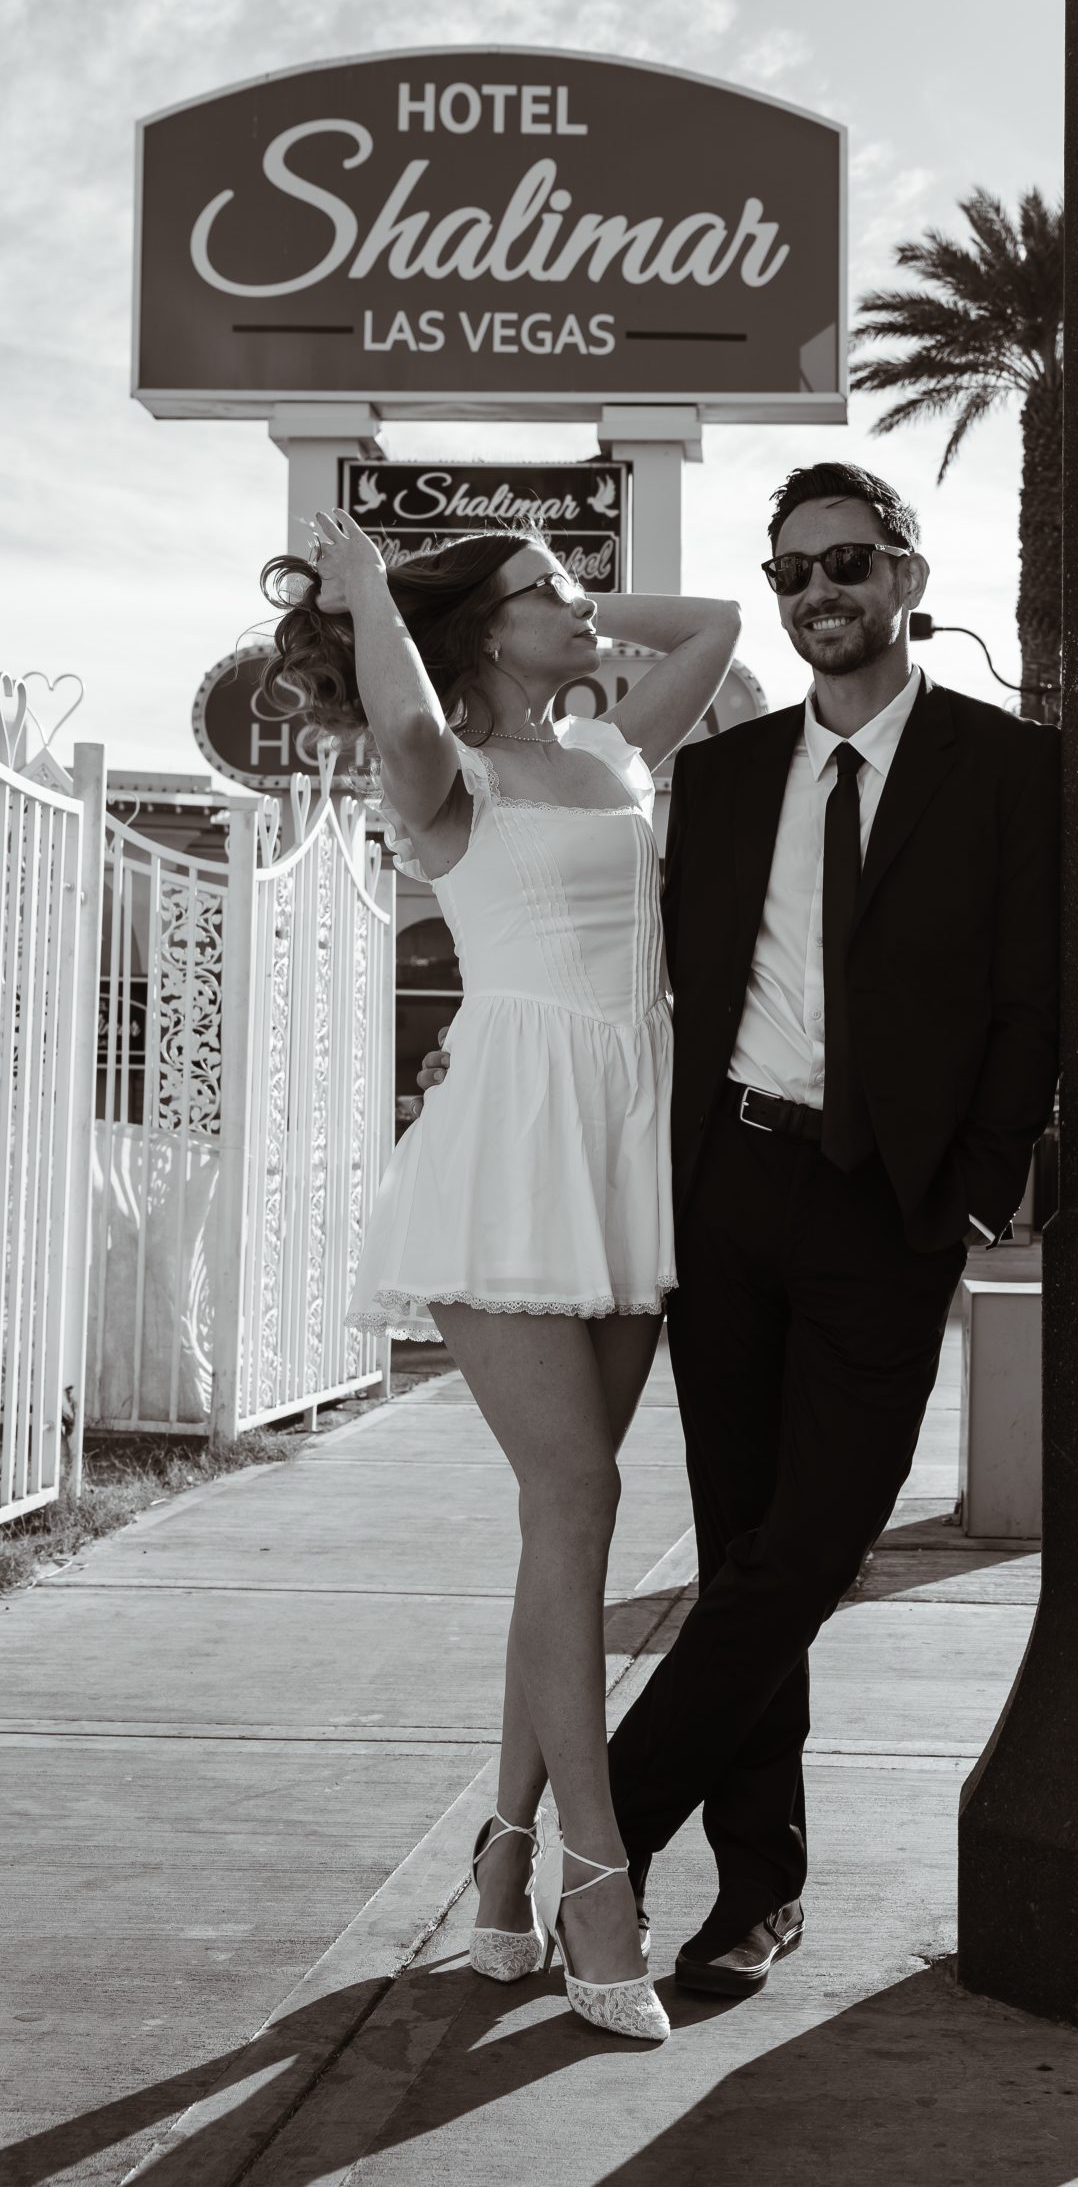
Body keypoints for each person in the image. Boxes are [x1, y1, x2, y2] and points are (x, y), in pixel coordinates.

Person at [425, 458, 1060, 1999]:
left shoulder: (1007, 768)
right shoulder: (717, 778)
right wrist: (472, 1039)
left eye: (847, 563)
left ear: (906, 576)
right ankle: (758, 1887)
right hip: (725, 1194)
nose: (817, 593)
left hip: (890, 1209)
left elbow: (1033, 991)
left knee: (815, 1547)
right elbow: (616, 967)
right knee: (742, 1548)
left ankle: (611, 1835)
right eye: (792, 572)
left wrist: (982, 1180)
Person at [264, 510, 739, 2045]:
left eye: (581, 586)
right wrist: (372, 588)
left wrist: (556, 585)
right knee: (578, 1498)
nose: (586, 607)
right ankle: (597, 1881)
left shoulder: (610, 747)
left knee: (566, 1530)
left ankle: (505, 1858)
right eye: (549, 593)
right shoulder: (443, 775)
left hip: (626, 1148)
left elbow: (718, 625)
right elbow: (406, 710)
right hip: (509, 1151)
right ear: (479, 633)